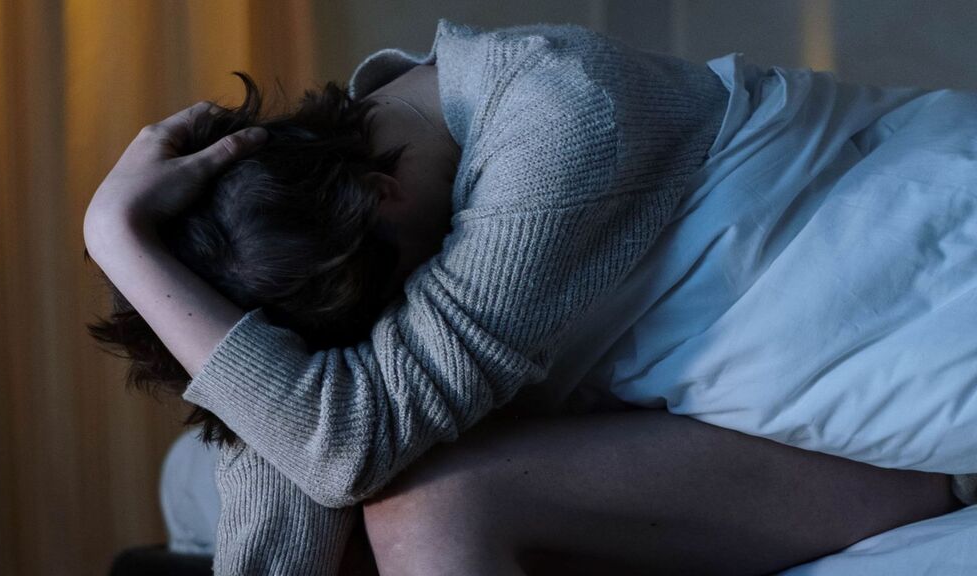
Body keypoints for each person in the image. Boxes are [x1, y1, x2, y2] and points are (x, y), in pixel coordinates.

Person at [84, 19, 975, 575]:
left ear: (384, 196)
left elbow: (341, 442)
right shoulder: (347, 190)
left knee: (422, 505)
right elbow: (285, 445)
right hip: (746, 448)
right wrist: (144, 261)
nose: (395, 334)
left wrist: (113, 237)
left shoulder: (562, 116)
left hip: (893, 450)